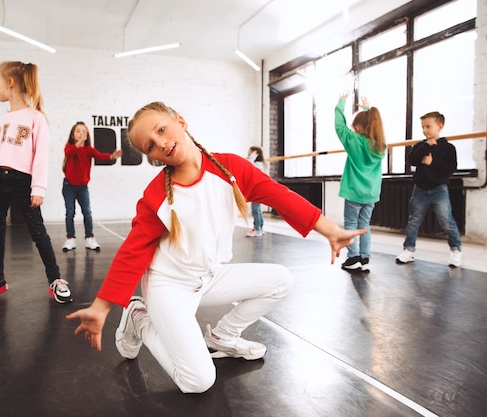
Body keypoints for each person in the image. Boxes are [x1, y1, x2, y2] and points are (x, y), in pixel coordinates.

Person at [66, 101, 365, 394]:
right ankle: (138, 318)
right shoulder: (157, 195)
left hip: (208, 278)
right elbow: (134, 251)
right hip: (168, 287)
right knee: (197, 381)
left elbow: (279, 196)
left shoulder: (230, 169)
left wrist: (330, 230)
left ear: (181, 122)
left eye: (162, 129)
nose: (161, 143)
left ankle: (224, 335)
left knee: (281, 280)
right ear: (153, 157)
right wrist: (102, 306)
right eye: (151, 146)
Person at [0, 61, 72, 304]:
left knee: (38, 232)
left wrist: (38, 188)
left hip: (22, 182)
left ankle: (55, 279)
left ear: (10, 82)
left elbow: (40, 157)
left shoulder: (36, 118)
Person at [396, 111, 462, 267]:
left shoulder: (448, 148)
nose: (425, 130)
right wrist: (426, 146)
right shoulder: (420, 145)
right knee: (413, 221)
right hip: (420, 190)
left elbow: (449, 169)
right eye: (422, 127)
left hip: (439, 190)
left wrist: (431, 163)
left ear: (440, 126)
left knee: (446, 221)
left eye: (428, 126)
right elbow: (412, 160)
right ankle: (409, 250)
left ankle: (456, 250)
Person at [334, 92, 386, 272]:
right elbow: (372, 124)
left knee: (350, 224)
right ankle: (364, 257)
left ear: (358, 127)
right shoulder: (380, 145)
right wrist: (367, 109)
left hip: (354, 191)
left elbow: (339, 126)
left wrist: (341, 103)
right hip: (371, 193)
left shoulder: (354, 140)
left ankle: (353, 257)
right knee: (364, 225)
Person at [62, 121, 122, 252]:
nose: (81, 133)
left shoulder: (88, 150)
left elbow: (100, 155)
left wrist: (112, 156)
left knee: (87, 213)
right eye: (78, 131)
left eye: (83, 131)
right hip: (69, 186)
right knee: (70, 212)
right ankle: (70, 239)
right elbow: (68, 153)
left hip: (83, 187)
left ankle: (89, 238)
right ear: (73, 135)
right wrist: (79, 143)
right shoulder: (69, 146)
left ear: (87, 135)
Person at [245, 146, 269, 237]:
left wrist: (251, 157)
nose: (248, 154)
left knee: (255, 209)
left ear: (256, 154)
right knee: (257, 209)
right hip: (259, 188)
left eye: (250, 153)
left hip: (258, 189)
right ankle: (260, 228)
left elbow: (249, 164)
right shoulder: (261, 164)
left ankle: (257, 228)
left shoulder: (258, 164)